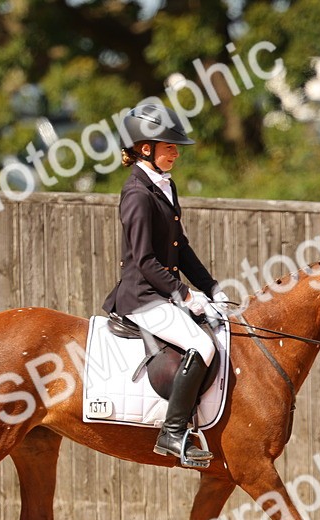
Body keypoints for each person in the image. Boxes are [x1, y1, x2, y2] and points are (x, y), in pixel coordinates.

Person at [101, 104, 230, 465]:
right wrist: (185, 294)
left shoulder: (163, 186)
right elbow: (144, 260)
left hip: (161, 292)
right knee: (201, 346)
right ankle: (172, 434)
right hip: (142, 297)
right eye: (169, 147)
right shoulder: (138, 194)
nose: (175, 153)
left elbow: (180, 246)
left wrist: (211, 287)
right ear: (146, 148)